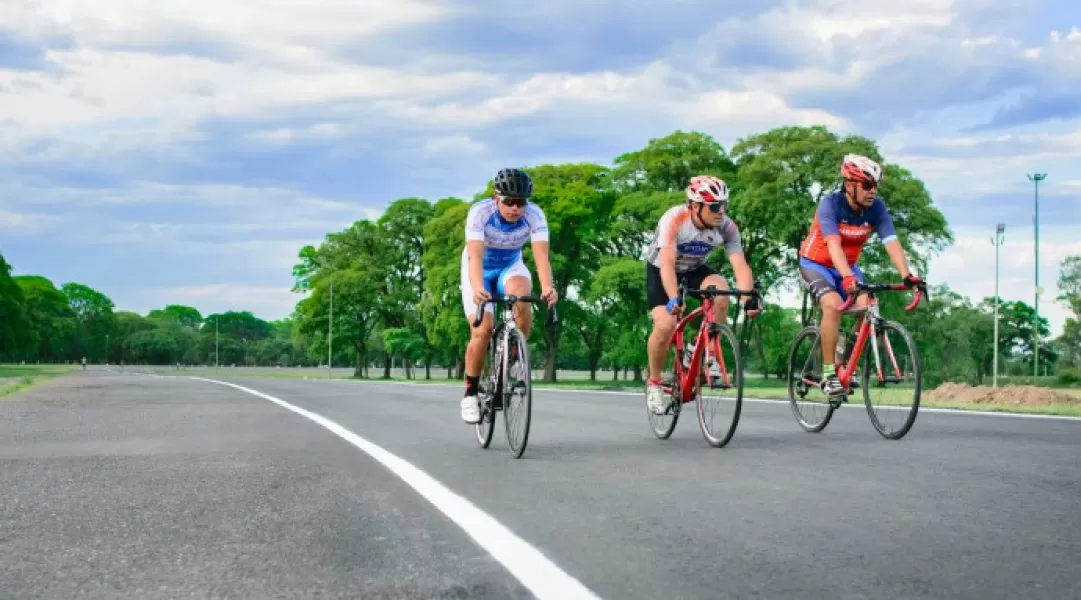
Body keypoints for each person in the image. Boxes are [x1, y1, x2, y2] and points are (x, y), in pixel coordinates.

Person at [797, 153, 922, 400]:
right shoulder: (830, 205)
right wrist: (846, 277)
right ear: (849, 185)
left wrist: (907, 275)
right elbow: (833, 245)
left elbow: (891, 241)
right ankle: (829, 372)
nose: (872, 191)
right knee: (832, 305)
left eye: (875, 186)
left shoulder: (876, 209)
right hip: (816, 264)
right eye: (867, 186)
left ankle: (847, 359)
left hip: (848, 266)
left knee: (868, 305)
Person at [643, 175, 761, 415]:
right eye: (715, 206)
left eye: (725, 205)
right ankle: (654, 383)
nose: (721, 212)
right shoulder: (675, 219)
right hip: (662, 270)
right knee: (666, 325)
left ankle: (697, 346)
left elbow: (740, 265)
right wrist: (674, 298)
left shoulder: (726, 227)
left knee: (720, 289)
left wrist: (749, 297)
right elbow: (666, 265)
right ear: (695, 206)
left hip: (694, 269)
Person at [459, 167, 558, 424]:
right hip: (479, 268)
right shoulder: (480, 213)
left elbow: (541, 257)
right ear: (496, 198)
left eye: (521, 202)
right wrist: (479, 286)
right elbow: (475, 257)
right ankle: (470, 393)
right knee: (482, 330)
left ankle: (514, 355)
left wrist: (548, 287)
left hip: (510, 265)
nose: (515, 208)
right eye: (509, 202)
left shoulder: (534, 216)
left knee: (523, 296)